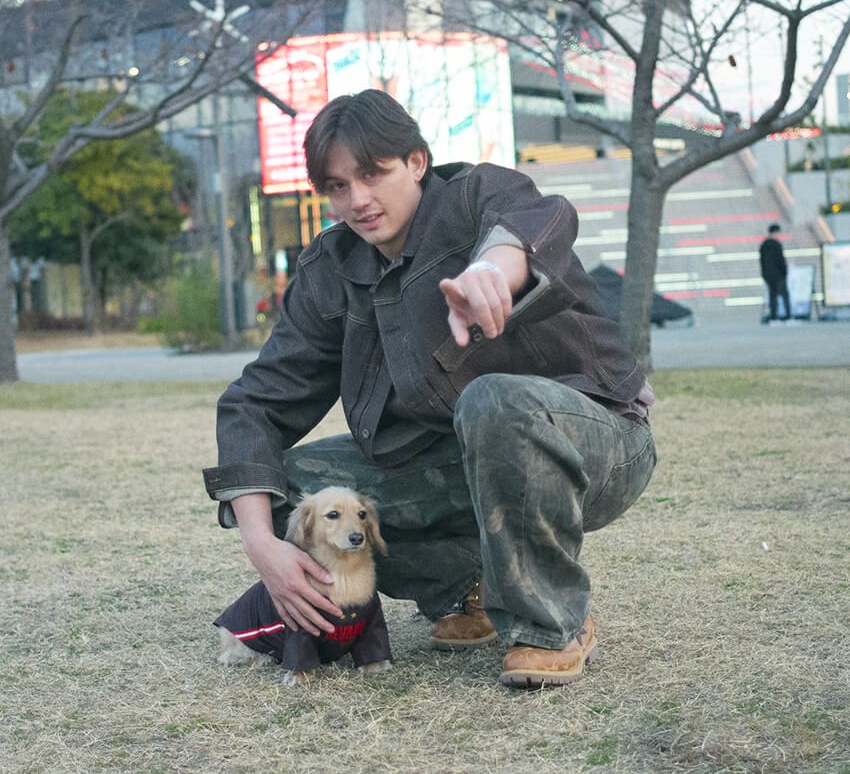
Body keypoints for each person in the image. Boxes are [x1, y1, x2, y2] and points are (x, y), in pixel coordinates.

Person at [203, 89, 656, 689]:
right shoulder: (330, 272)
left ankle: (551, 625)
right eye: (338, 186)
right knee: (284, 494)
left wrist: (494, 268)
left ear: (416, 161)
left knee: (494, 398)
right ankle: (464, 585)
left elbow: (531, 220)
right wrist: (262, 546)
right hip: (454, 463)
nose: (358, 200)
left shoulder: (475, 196)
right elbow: (255, 405)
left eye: (372, 173)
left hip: (595, 443)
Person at [759, 223, 791, 323]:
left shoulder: (763, 245)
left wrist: (764, 274)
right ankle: (787, 316)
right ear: (775, 232)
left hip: (768, 275)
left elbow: (762, 261)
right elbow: (780, 260)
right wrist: (785, 272)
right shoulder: (777, 244)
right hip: (779, 275)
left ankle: (774, 316)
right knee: (784, 295)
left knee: (772, 296)